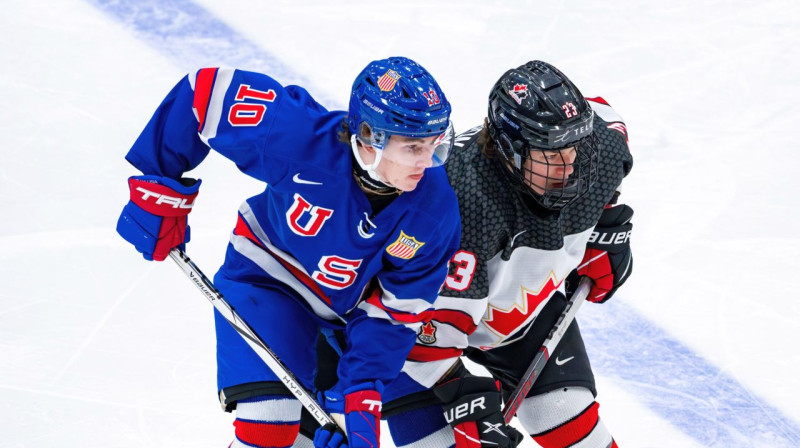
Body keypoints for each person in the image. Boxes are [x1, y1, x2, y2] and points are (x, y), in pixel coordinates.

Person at [115, 56, 462, 448]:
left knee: (317, 437)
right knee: (269, 424)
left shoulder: (435, 210)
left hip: (344, 318)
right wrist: (159, 186)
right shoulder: (297, 137)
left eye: (434, 144)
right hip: (266, 278)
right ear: (368, 135)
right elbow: (205, 93)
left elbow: (394, 314)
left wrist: (358, 402)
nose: (427, 162)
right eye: (413, 147)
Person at [308, 60, 633, 448]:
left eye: (576, 147)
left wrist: (605, 220)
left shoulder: (599, 148)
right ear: (512, 149)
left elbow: (605, 119)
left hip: (517, 312)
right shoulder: (461, 208)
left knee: (571, 422)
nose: (571, 165)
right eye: (551, 153)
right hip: (414, 340)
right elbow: (417, 332)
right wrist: (464, 396)